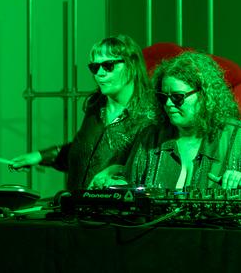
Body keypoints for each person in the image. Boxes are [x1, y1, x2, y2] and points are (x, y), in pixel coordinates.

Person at [10, 34, 154, 190]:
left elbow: (149, 170)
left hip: (117, 204)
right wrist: (39, 156)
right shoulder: (95, 106)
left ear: (132, 65)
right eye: (94, 67)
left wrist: (117, 171)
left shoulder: (149, 116)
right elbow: (84, 153)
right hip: (79, 202)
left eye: (108, 65)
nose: (100, 73)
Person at [125, 51, 241, 191]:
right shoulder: (150, 137)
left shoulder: (240, 138)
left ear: (204, 96)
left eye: (177, 97)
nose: (168, 104)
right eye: (163, 97)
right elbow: (129, 190)